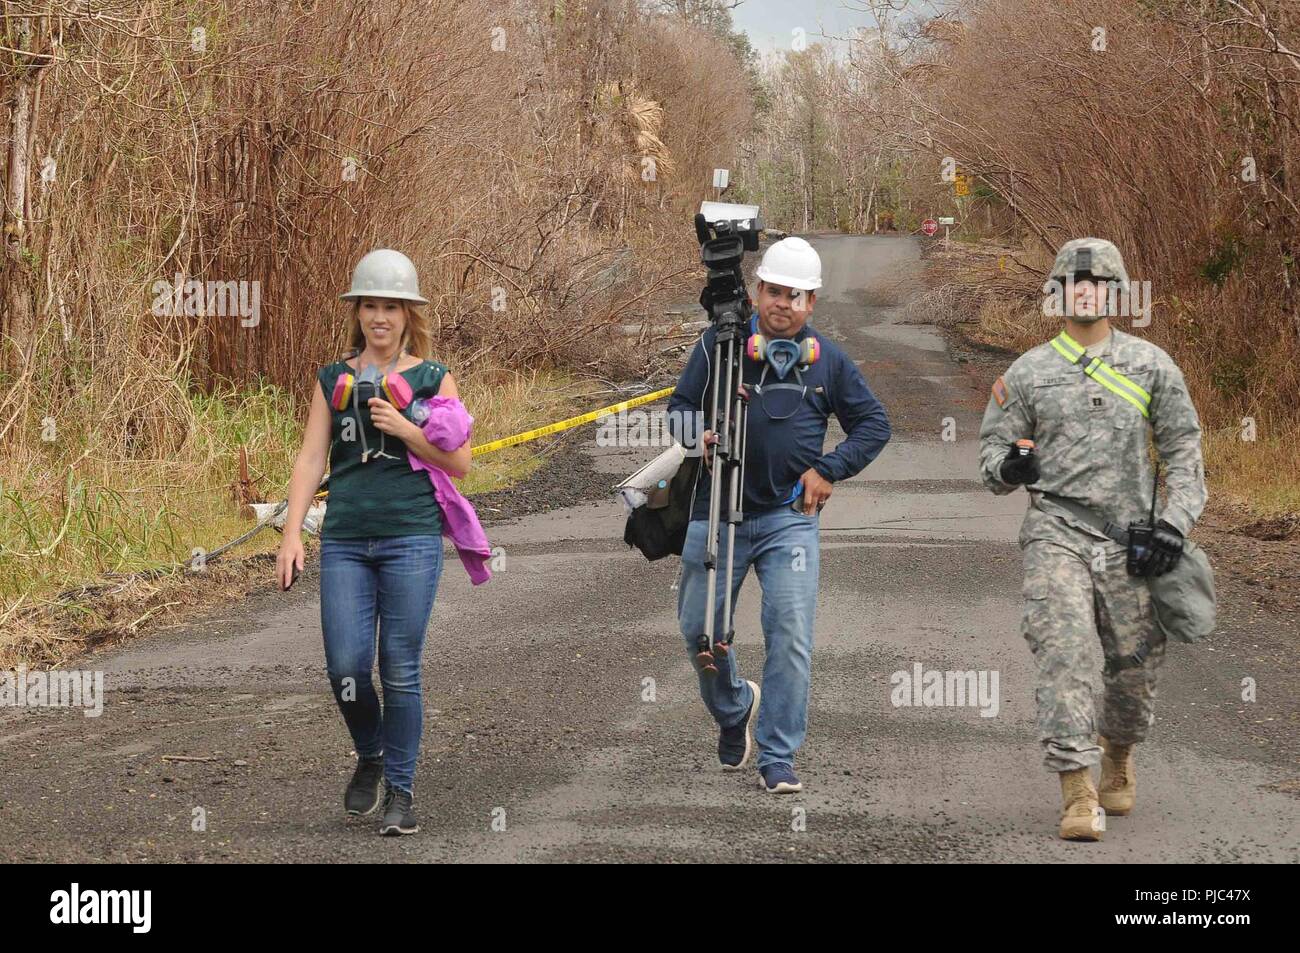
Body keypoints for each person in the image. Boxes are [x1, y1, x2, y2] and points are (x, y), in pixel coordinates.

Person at [977, 237, 1207, 841]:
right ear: (1057, 294)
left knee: (1131, 669)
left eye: (1098, 283)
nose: (1086, 292)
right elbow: (992, 456)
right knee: (1067, 653)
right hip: (1057, 532)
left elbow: (1184, 452)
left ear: (1117, 293)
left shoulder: (1153, 366)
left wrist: (1172, 526)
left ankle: (1120, 752)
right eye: (1074, 283)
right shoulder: (1028, 373)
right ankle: (1077, 789)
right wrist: (1012, 469)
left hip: (1134, 539)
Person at [668, 236, 891, 794]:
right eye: (772, 291)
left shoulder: (830, 362)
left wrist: (829, 469)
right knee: (700, 631)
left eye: (795, 295)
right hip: (715, 508)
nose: (782, 303)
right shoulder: (719, 347)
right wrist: (699, 436)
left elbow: (874, 424)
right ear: (756, 290)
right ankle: (735, 708)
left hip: (790, 517)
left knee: (789, 631)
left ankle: (778, 755)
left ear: (812, 302)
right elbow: (678, 411)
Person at [276, 248, 471, 836]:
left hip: (410, 537)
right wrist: (291, 534)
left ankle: (402, 794)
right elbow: (312, 457)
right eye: (370, 306)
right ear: (356, 311)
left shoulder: (433, 379)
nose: (380, 317)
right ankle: (371, 753)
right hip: (345, 541)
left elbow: (459, 461)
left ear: (409, 314)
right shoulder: (333, 378)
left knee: (400, 668)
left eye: (391, 306)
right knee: (344, 666)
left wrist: (407, 428)